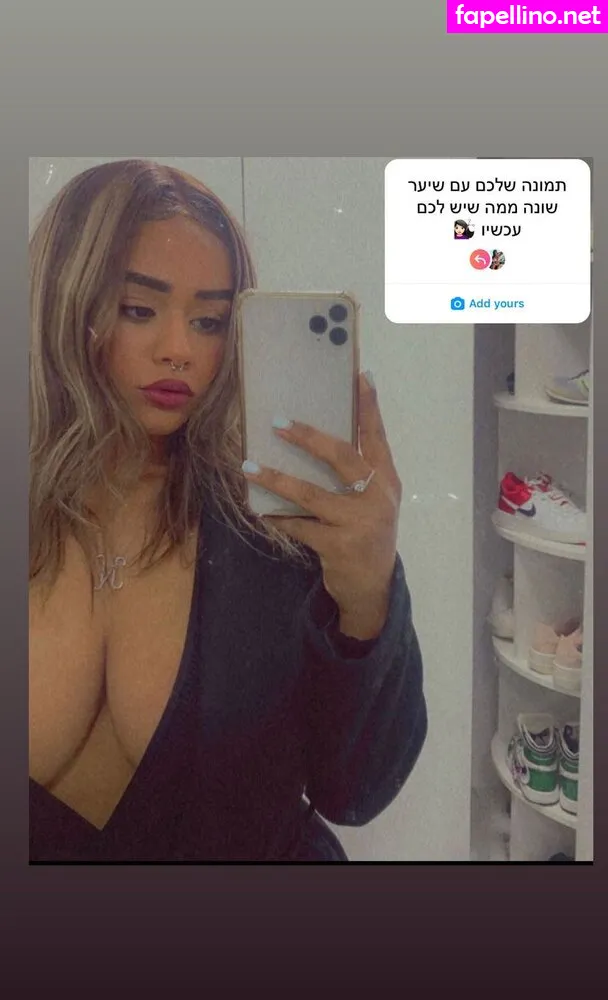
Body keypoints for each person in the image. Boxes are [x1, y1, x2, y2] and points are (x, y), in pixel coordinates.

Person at [29, 159, 427, 862]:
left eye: (210, 320)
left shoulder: (272, 523)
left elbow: (356, 791)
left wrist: (368, 594)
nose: (179, 350)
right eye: (139, 309)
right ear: (63, 303)